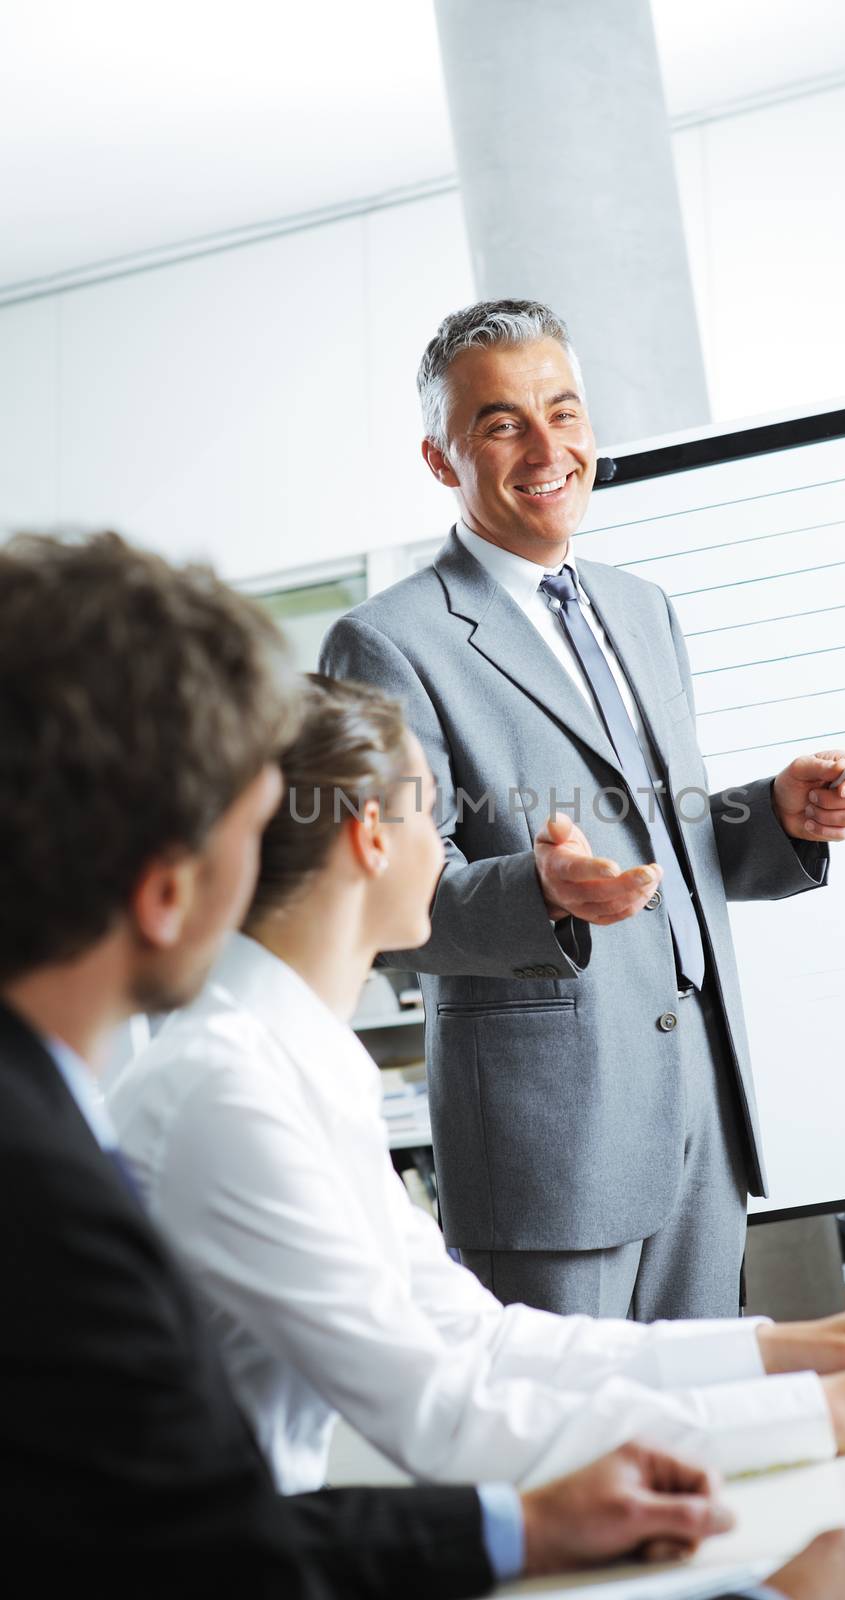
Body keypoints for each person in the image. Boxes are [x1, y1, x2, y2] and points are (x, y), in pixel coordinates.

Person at [0, 529, 794, 1600]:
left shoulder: (250, 1074)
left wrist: (792, 1363)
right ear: (165, 879)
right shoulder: (169, 1111)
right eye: (241, 824)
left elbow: (461, 1349)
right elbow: (244, 1522)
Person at [108, 674, 845, 1509]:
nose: (451, 843)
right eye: (437, 810)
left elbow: (486, 1342)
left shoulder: (292, 1061)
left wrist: (796, 1352)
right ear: (372, 838)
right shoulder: (227, 1094)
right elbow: (448, 1419)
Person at [319, 298, 845, 1322]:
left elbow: (664, 840)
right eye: (501, 423)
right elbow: (387, 905)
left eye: (564, 412)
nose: (548, 447)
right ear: (443, 460)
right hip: (550, 1141)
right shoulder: (386, 642)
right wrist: (540, 893)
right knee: (575, 1456)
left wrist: (777, 817)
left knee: (700, 1440)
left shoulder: (640, 607)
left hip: (699, 1112)